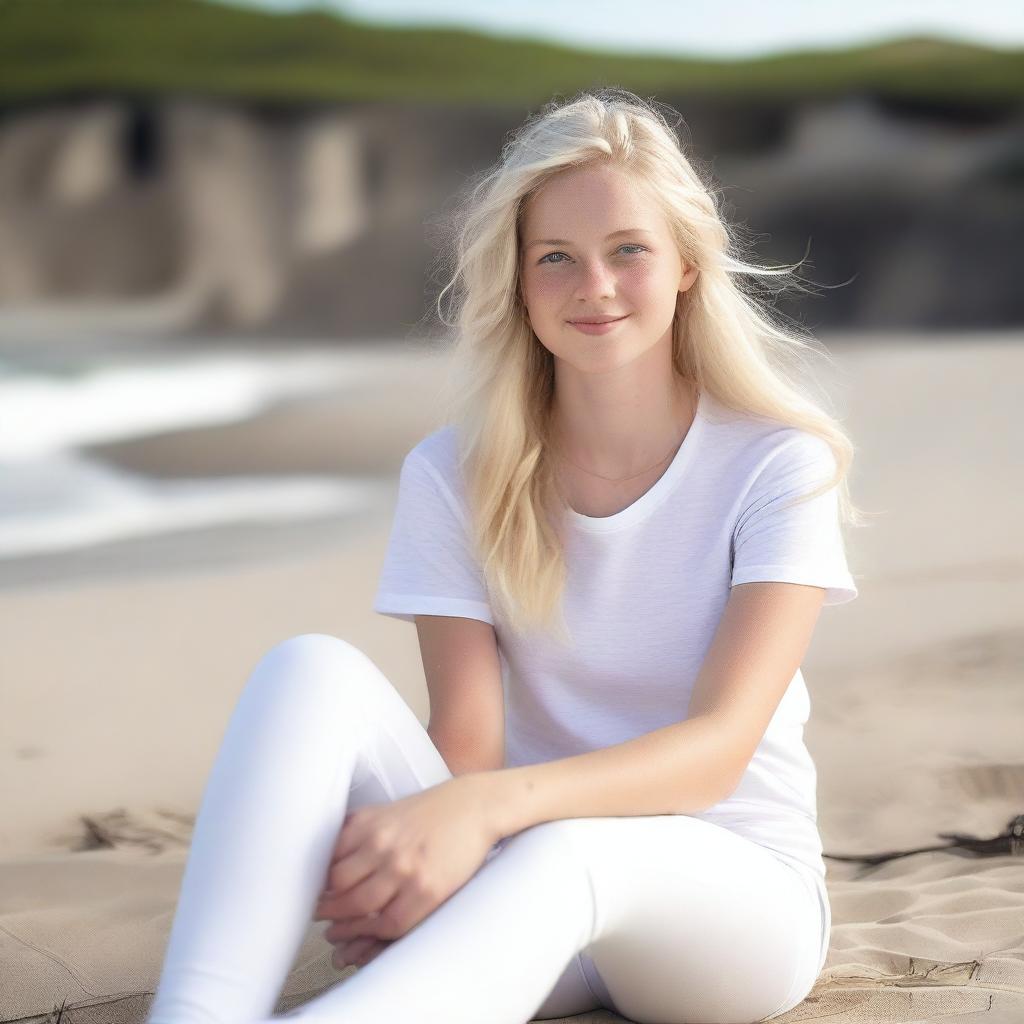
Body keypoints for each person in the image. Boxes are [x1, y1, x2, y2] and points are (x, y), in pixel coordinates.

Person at [145, 87, 864, 1024]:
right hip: (525, 887)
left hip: (732, 913)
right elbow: (469, 742)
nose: (592, 286)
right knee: (307, 671)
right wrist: (419, 855)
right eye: (554, 258)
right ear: (519, 284)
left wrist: (478, 814)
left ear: (687, 264)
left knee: (572, 853)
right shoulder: (454, 474)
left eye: (628, 251)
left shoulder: (777, 464)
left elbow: (715, 755)